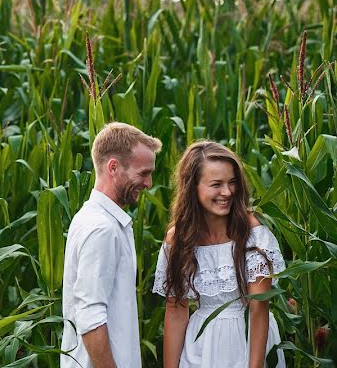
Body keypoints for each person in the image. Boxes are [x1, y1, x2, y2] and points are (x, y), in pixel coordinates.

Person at [153, 141, 286, 368]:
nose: (227, 192)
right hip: (200, 346)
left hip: (248, 342)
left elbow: (258, 309)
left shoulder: (253, 234)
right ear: (192, 187)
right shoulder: (178, 239)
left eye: (232, 182)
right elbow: (176, 310)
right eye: (216, 184)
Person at [62, 122, 162, 368]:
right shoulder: (102, 229)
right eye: (143, 173)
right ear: (113, 167)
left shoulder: (96, 219)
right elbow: (90, 317)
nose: (148, 183)